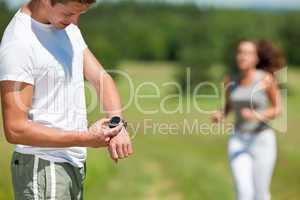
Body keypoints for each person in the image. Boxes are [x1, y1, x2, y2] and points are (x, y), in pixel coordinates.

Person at [0, 0, 133, 199]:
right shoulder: (19, 42)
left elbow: (101, 78)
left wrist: (117, 124)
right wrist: (87, 138)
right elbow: (15, 129)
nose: (74, 21)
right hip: (43, 167)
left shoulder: (67, 28)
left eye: (80, 14)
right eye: (70, 13)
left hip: (71, 165)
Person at [212, 39, 285, 200]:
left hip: (262, 140)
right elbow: (228, 106)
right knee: (244, 192)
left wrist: (257, 115)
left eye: (248, 53)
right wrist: (220, 114)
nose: (242, 56)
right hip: (238, 139)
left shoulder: (265, 79)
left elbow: (278, 109)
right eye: (240, 52)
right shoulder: (230, 80)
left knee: (260, 194)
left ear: (256, 58)